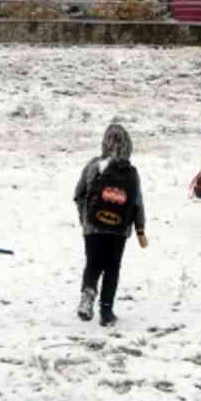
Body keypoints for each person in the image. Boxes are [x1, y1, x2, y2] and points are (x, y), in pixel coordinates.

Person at [74, 124, 148, 326]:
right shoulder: (131, 172)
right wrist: (140, 229)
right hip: (119, 228)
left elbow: (79, 193)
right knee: (112, 267)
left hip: (93, 227)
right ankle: (106, 312)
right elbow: (137, 202)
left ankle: (88, 294)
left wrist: (85, 217)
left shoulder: (93, 166)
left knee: (93, 263)